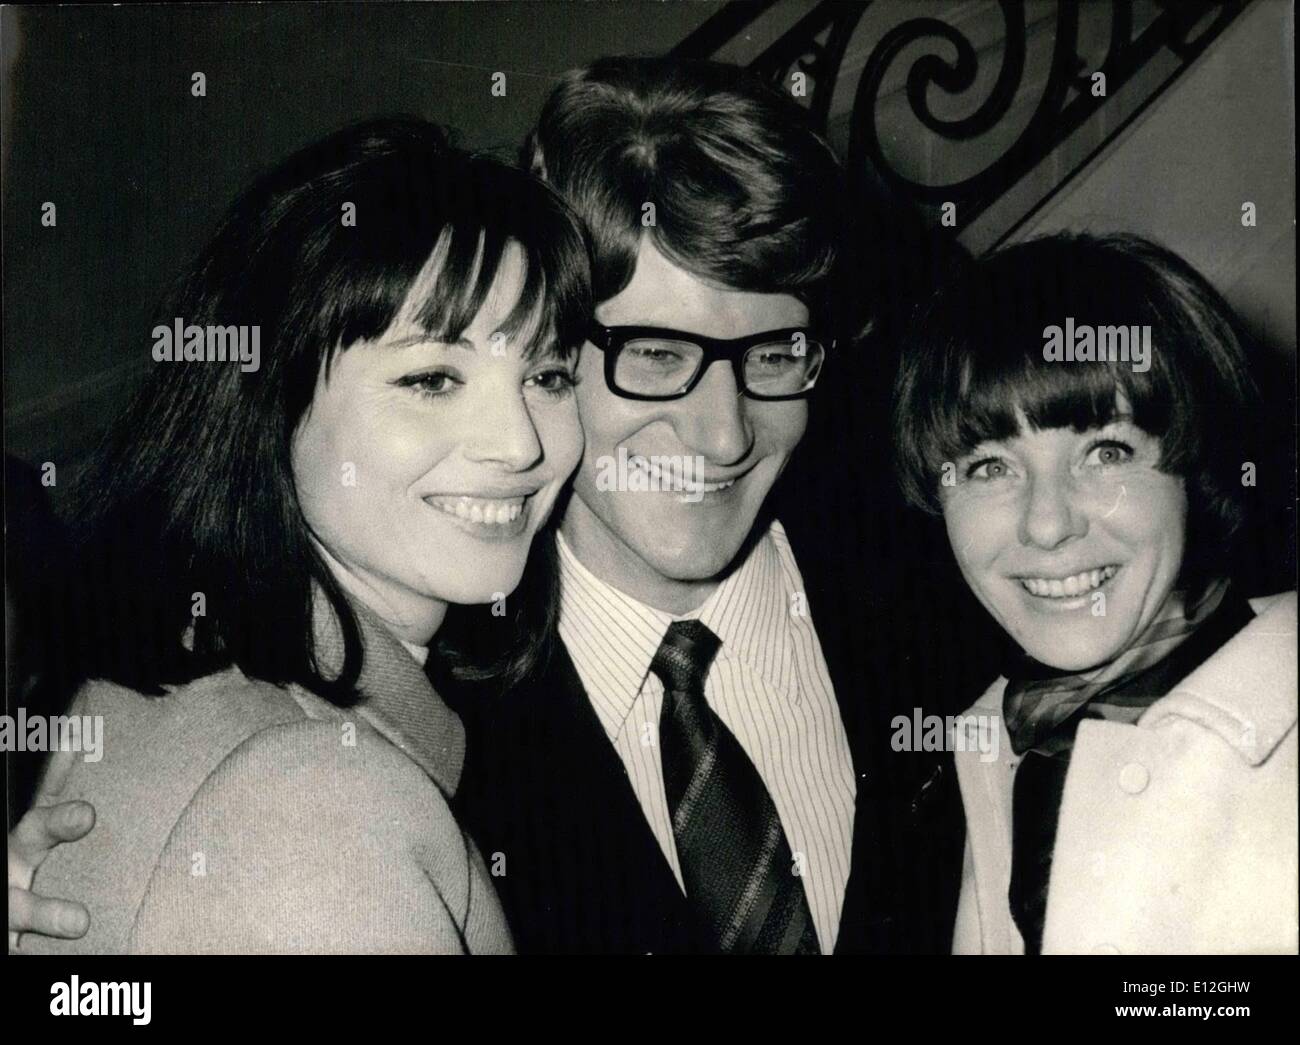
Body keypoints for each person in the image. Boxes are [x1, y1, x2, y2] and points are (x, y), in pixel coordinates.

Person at [11, 56, 980, 955]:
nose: (723, 434)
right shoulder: (396, 702)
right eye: (652, 355)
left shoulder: (963, 588)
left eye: (772, 356)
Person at [8, 115, 591, 953]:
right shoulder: (313, 804)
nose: (522, 442)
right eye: (432, 378)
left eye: (546, 374)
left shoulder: (193, 684)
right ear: (267, 408)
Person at [892, 232, 1298, 954]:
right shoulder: (998, 735)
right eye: (989, 467)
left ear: (1194, 471)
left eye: (1106, 452)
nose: (1046, 525)